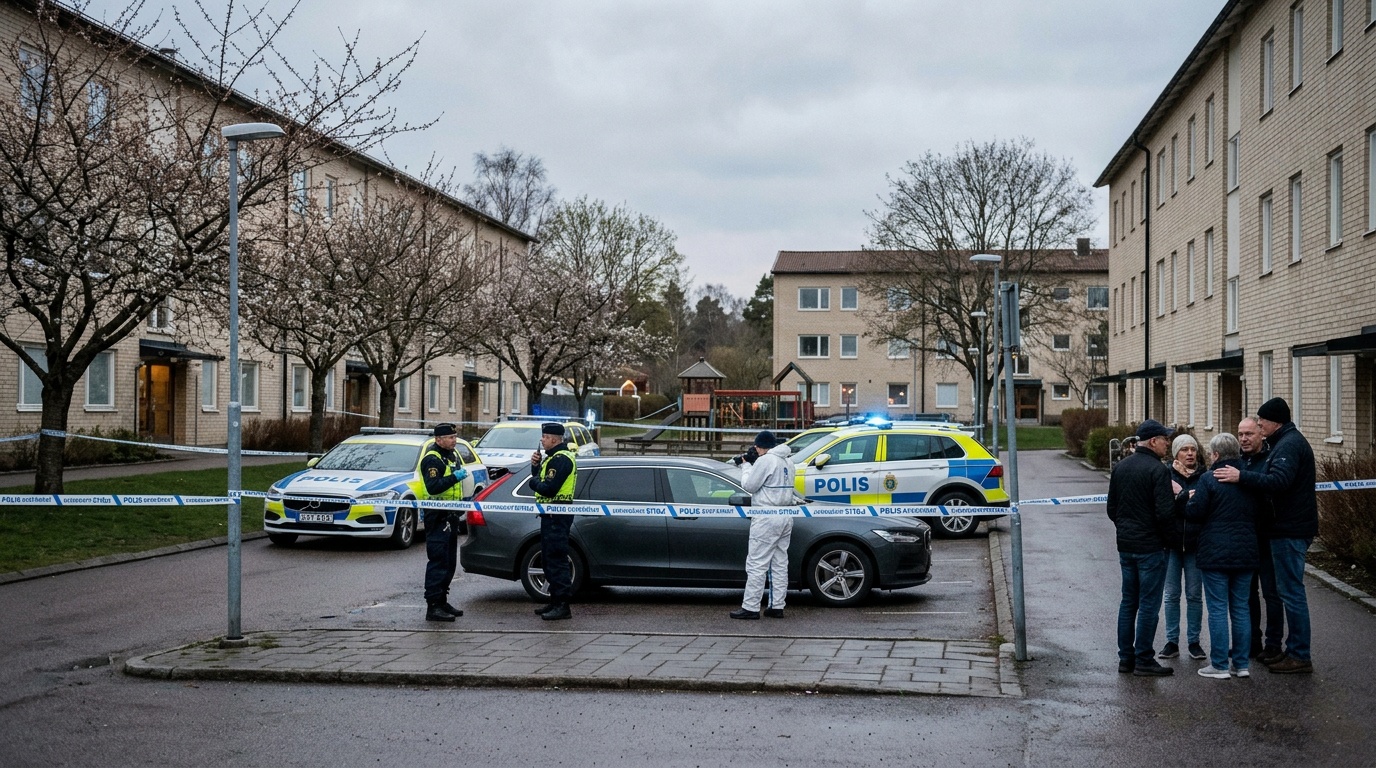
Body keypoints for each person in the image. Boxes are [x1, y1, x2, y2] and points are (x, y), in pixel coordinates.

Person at [1214, 397, 1316, 674]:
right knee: (1282, 591)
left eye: (1260, 423)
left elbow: (1279, 482)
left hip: (1289, 530)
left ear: (1275, 422)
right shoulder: (1282, 443)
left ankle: (1299, 654)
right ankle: (1286, 650)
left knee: (1291, 593)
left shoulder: (1289, 445)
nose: (1258, 427)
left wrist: (1241, 477)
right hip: (1280, 529)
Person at [1106, 419, 1176, 676]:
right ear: (1153, 441)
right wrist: (1167, 538)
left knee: (1128, 602)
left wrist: (1125, 529)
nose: (1167, 443)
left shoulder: (1121, 467)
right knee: (1148, 604)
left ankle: (1126, 659)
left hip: (1126, 546)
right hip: (1151, 548)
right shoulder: (1158, 471)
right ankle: (1144, 658)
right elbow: (1165, 513)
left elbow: (1111, 508)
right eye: (1165, 439)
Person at [1186, 433, 1259, 678]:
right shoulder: (1250, 479)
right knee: (1240, 607)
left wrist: (1188, 499)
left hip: (1215, 552)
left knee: (1217, 608)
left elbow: (1195, 513)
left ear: (1215, 455)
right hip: (1246, 551)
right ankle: (1241, 664)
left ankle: (1219, 665)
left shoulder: (1208, 480)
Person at [730, 430, 798, 620]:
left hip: (766, 515)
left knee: (757, 563)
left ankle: (750, 607)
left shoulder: (766, 460)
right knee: (779, 563)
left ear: (760, 446)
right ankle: (777, 606)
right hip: (785, 515)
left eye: (757, 448)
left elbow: (750, 486)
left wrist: (746, 467)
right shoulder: (788, 461)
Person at [1238, 417, 1283, 660]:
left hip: (1267, 536)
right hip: (1244, 539)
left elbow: (1273, 488)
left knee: (1271, 593)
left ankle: (1273, 644)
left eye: (1249, 434)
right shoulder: (1238, 460)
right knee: (1247, 594)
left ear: (1260, 435)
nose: (1244, 439)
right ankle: (1252, 642)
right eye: (1240, 434)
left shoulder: (1270, 459)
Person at [1160, 434, 1206, 661]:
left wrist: (1184, 498)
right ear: (1176, 453)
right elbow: (1165, 509)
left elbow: (1204, 509)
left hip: (1196, 545)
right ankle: (1171, 641)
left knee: (1195, 594)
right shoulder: (1165, 476)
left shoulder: (1204, 477)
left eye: (1193, 449)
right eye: (1184, 449)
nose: (1190, 453)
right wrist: (1185, 498)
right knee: (1171, 594)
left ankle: (1194, 642)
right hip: (1171, 545)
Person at [530, 422, 578, 621]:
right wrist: (535, 467)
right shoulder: (552, 459)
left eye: (544, 437)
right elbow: (543, 482)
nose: (542, 440)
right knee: (549, 559)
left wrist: (532, 482)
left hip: (557, 516)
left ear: (553, 439)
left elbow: (548, 488)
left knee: (557, 560)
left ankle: (562, 605)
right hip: (550, 515)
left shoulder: (560, 460)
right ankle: (554, 601)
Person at [421, 423, 469, 622]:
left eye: (455, 436)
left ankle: (442, 601)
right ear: (438, 440)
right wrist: (453, 477)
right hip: (437, 516)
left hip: (451, 515)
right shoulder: (432, 459)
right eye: (450, 437)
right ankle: (433, 606)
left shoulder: (452, 455)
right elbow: (433, 487)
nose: (454, 440)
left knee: (449, 563)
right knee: (438, 561)